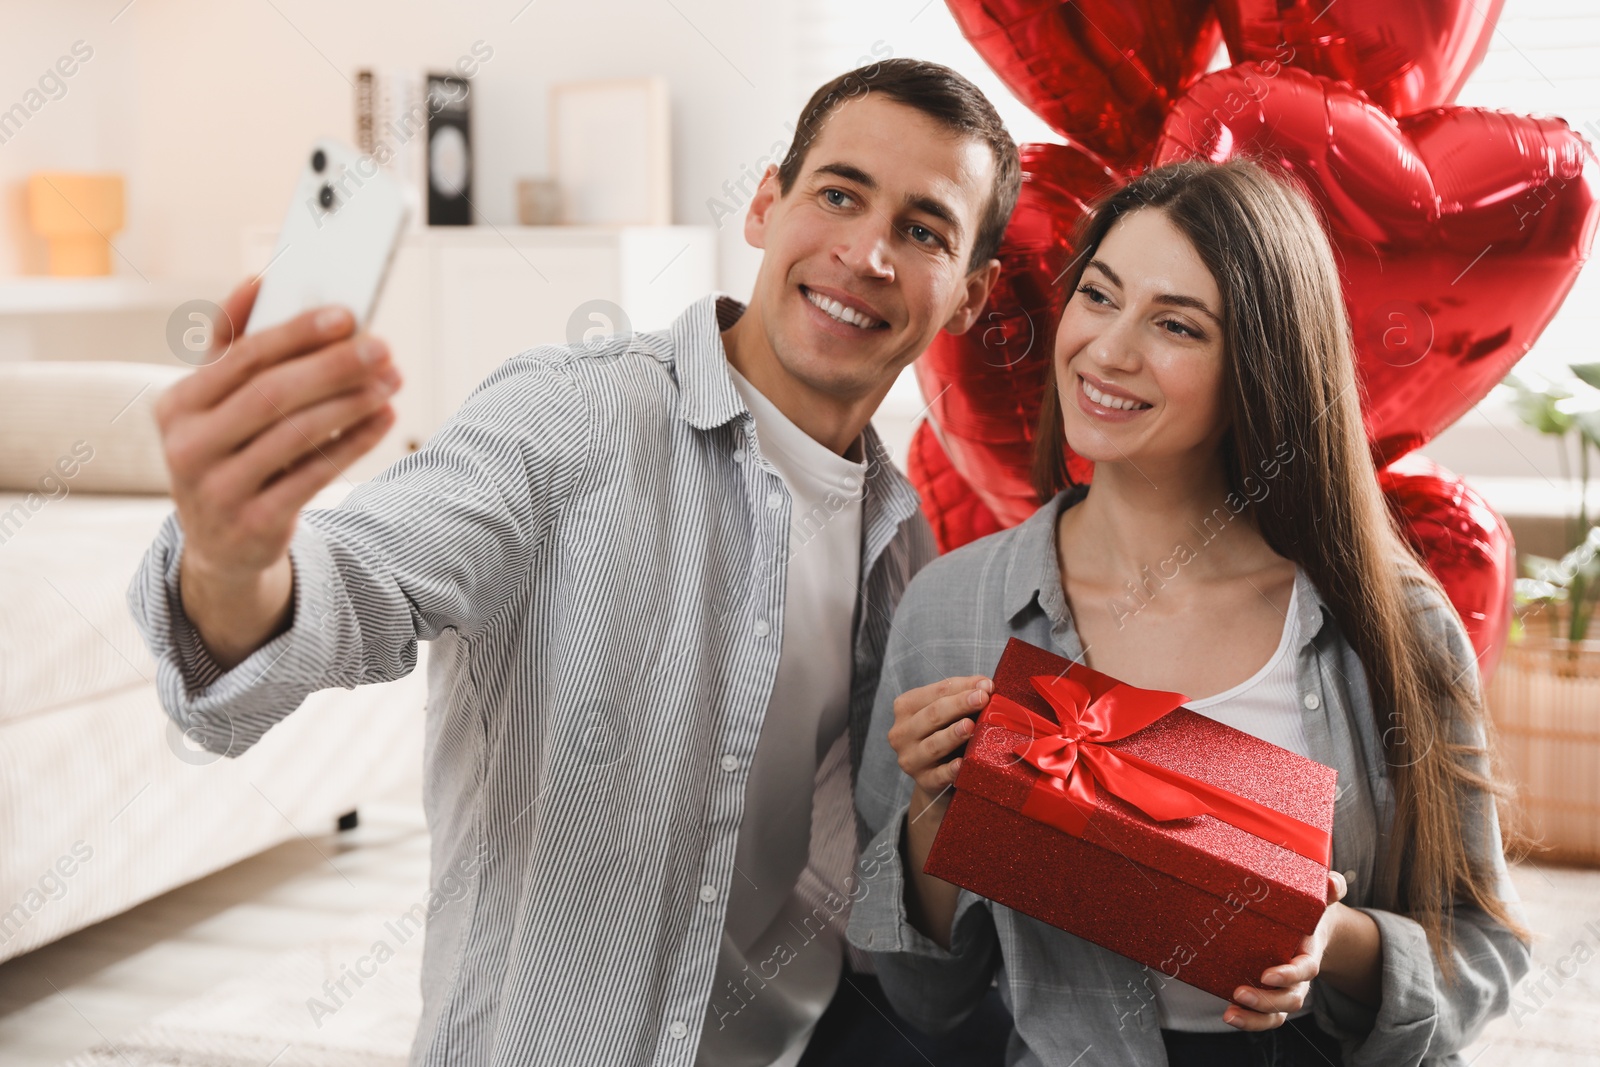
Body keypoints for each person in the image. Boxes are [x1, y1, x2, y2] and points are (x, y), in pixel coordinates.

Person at [127, 59, 1020, 1066]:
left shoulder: (904, 548)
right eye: (839, 194)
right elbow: (350, 585)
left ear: (972, 294)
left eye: (922, 229)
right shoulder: (571, 416)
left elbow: (878, 909)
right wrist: (235, 554)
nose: (865, 252)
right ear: (766, 204)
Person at [846, 158, 1535, 1067]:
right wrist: (939, 813)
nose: (1108, 350)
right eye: (1099, 295)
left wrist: (1334, 942)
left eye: (1175, 324)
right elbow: (917, 999)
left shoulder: (1393, 626)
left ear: (1261, 362)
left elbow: (1484, 952)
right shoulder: (951, 608)